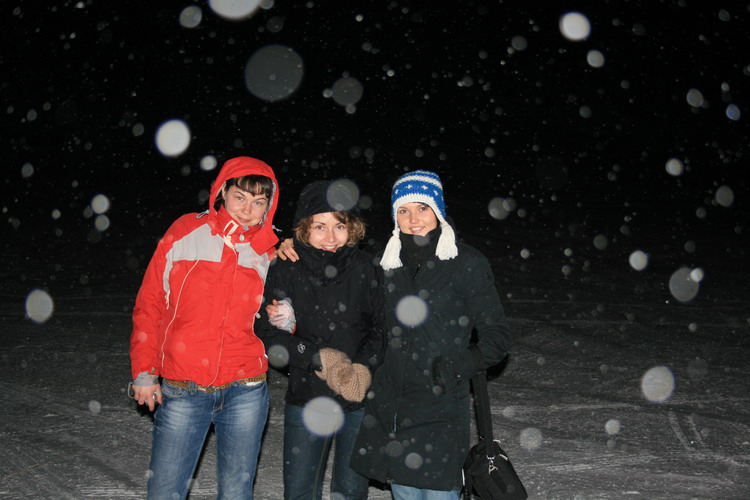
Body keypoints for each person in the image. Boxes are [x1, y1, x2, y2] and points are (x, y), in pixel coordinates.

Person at [280, 170, 512, 499]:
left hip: (442, 405)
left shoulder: (466, 263)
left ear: (438, 210)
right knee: (404, 493)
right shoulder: (384, 263)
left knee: (440, 493)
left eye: (422, 208)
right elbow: (337, 277)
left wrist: (457, 366)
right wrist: (292, 245)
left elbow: (497, 337)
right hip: (392, 408)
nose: (413, 219)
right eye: (403, 210)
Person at [129, 156, 280, 500]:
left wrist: (287, 317)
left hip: (246, 388)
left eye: (259, 202)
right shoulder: (185, 231)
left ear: (269, 206)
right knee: (166, 490)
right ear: (222, 191)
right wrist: (145, 371)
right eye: (240, 197)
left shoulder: (269, 251)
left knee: (237, 491)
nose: (248, 210)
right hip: (184, 386)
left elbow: (288, 314)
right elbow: (150, 304)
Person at [256, 179, 386, 500]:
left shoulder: (366, 267)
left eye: (339, 226)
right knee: (300, 490)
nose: (330, 237)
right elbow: (268, 331)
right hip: (307, 396)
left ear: (351, 227)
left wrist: (362, 369)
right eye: (319, 226)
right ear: (304, 228)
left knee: (351, 490)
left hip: (357, 398)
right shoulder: (286, 265)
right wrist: (317, 358)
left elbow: (381, 329)